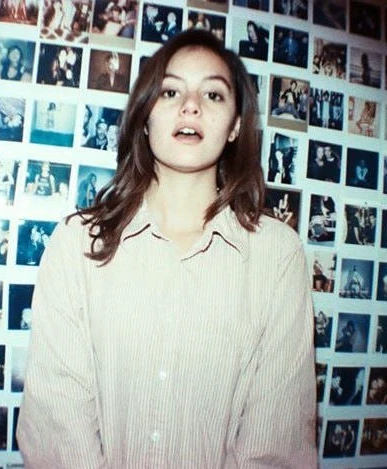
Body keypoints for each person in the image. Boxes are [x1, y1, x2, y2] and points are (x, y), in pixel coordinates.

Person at [17, 29, 316, 467]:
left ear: (235, 125)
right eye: (171, 91)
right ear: (145, 116)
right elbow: (56, 427)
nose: (191, 105)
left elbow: (277, 443)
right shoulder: (77, 244)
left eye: (213, 94)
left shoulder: (278, 256)